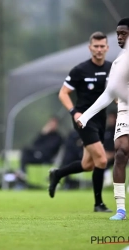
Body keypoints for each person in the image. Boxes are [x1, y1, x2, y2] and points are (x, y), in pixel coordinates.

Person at [48, 31, 112, 212]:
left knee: (88, 165)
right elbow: (63, 93)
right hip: (83, 120)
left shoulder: (111, 68)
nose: (99, 50)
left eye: (102, 46)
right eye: (96, 46)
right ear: (90, 48)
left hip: (100, 120)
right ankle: (98, 204)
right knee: (101, 159)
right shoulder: (80, 70)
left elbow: (114, 93)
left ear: (107, 48)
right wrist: (74, 112)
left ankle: (57, 173)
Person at [77, 18, 129, 220]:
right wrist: (87, 115)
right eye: (118, 33)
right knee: (121, 152)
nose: (119, 37)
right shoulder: (117, 63)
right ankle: (121, 209)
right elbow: (109, 93)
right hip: (125, 113)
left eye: (124, 33)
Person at [103, 111, 117, 187]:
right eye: (109, 118)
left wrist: (113, 154)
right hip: (106, 154)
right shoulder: (106, 130)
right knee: (102, 161)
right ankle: (107, 179)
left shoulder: (119, 130)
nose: (110, 119)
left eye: (112, 118)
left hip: (118, 154)